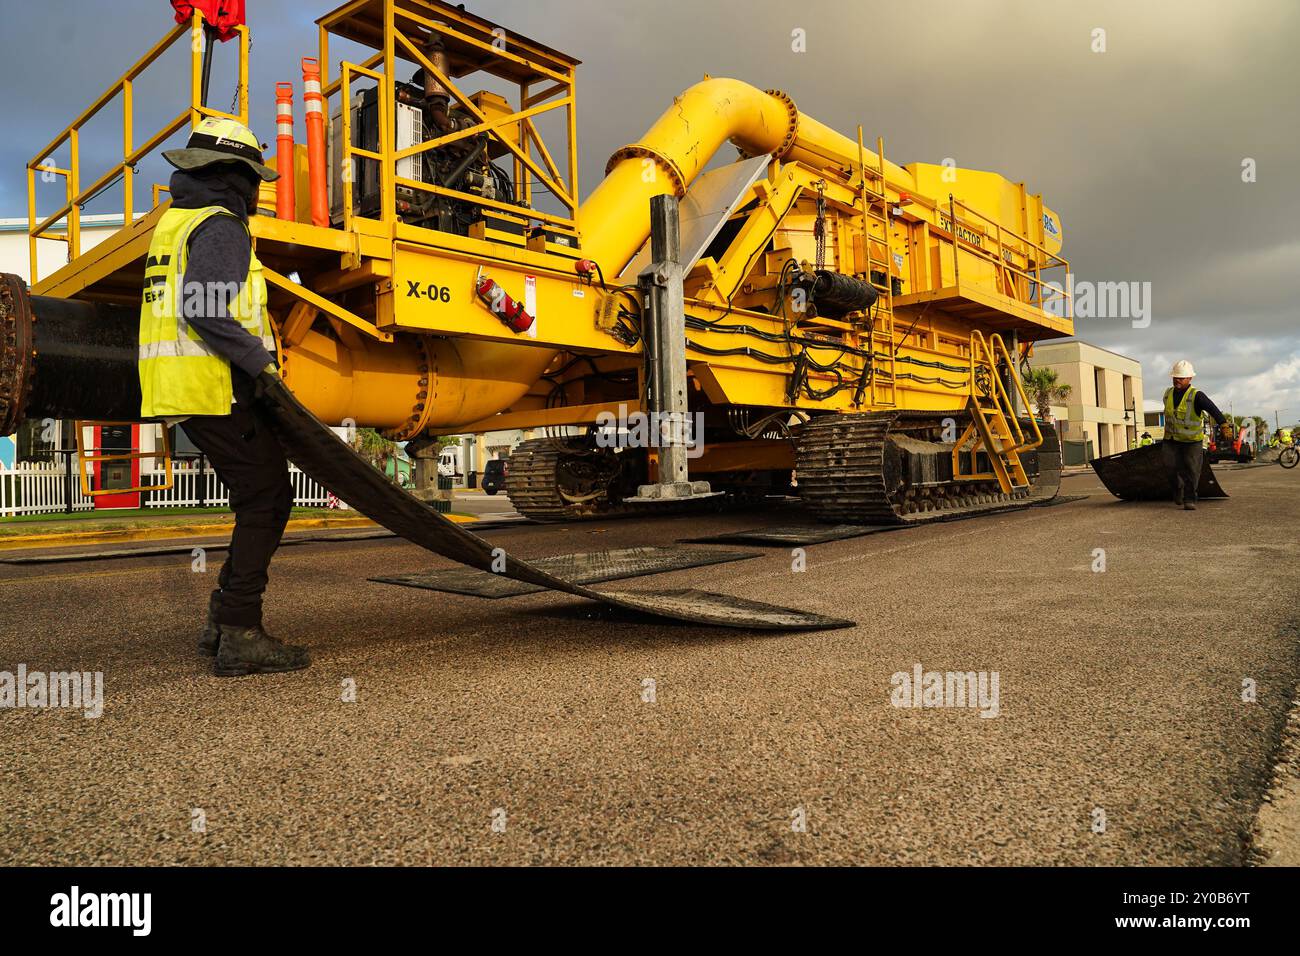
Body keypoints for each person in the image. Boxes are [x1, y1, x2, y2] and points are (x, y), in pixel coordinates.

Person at [139, 117, 310, 676]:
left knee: (258, 497)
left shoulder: (177, 222)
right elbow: (205, 308)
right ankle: (238, 631)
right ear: (236, 177)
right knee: (268, 499)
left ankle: (223, 620)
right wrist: (261, 366)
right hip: (214, 387)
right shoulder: (221, 226)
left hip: (185, 388)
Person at [1161, 360, 1230, 511]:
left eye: (1181, 377)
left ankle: (1190, 498)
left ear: (1189, 379)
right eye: (1175, 377)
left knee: (1192, 470)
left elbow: (1213, 409)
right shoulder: (1168, 394)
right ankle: (1178, 488)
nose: (1177, 380)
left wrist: (1223, 424)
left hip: (1192, 441)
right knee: (1169, 466)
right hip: (1171, 439)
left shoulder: (1197, 395)